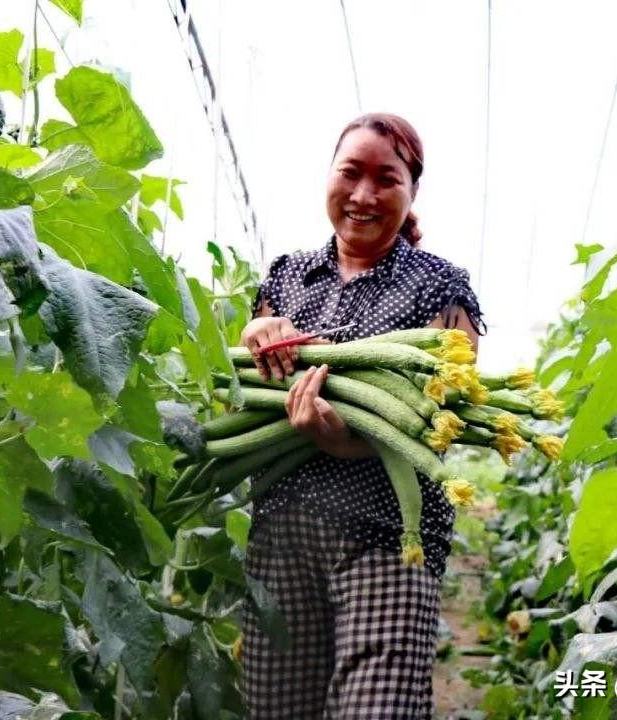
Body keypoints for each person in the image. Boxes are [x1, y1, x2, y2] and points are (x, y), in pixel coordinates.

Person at [238, 113, 486, 719]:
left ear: (412, 191)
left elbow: (438, 417)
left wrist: (342, 436)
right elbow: (247, 379)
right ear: (330, 175)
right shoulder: (287, 275)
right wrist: (256, 329)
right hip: (282, 534)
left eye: (387, 179)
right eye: (351, 173)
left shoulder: (441, 289)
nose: (364, 195)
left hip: (388, 537)